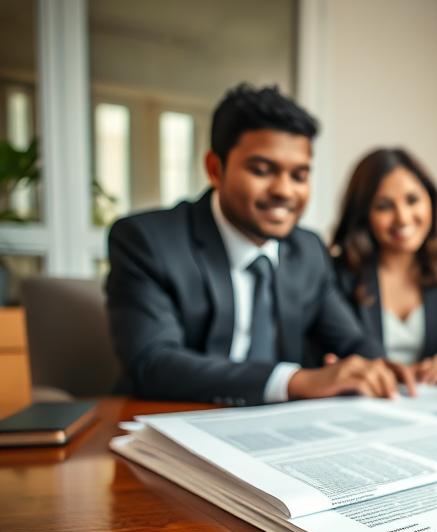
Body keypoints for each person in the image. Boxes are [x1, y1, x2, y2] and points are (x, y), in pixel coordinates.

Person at [107, 83, 415, 405]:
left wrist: (381, 367)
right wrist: (296, 380)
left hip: (274, 431)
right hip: (168, 421)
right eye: (262, 170)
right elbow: (152, 363)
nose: (284, 190)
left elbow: (350, 340)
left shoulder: (308, 250)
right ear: (215, 169)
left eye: (299, 176)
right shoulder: (148, 240)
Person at [330, 148, 437, 384]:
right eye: (384, 206)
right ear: (364, 214)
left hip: (429, 403)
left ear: (431, 201)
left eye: (412, 200)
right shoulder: (339, 273)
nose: (402, 218)